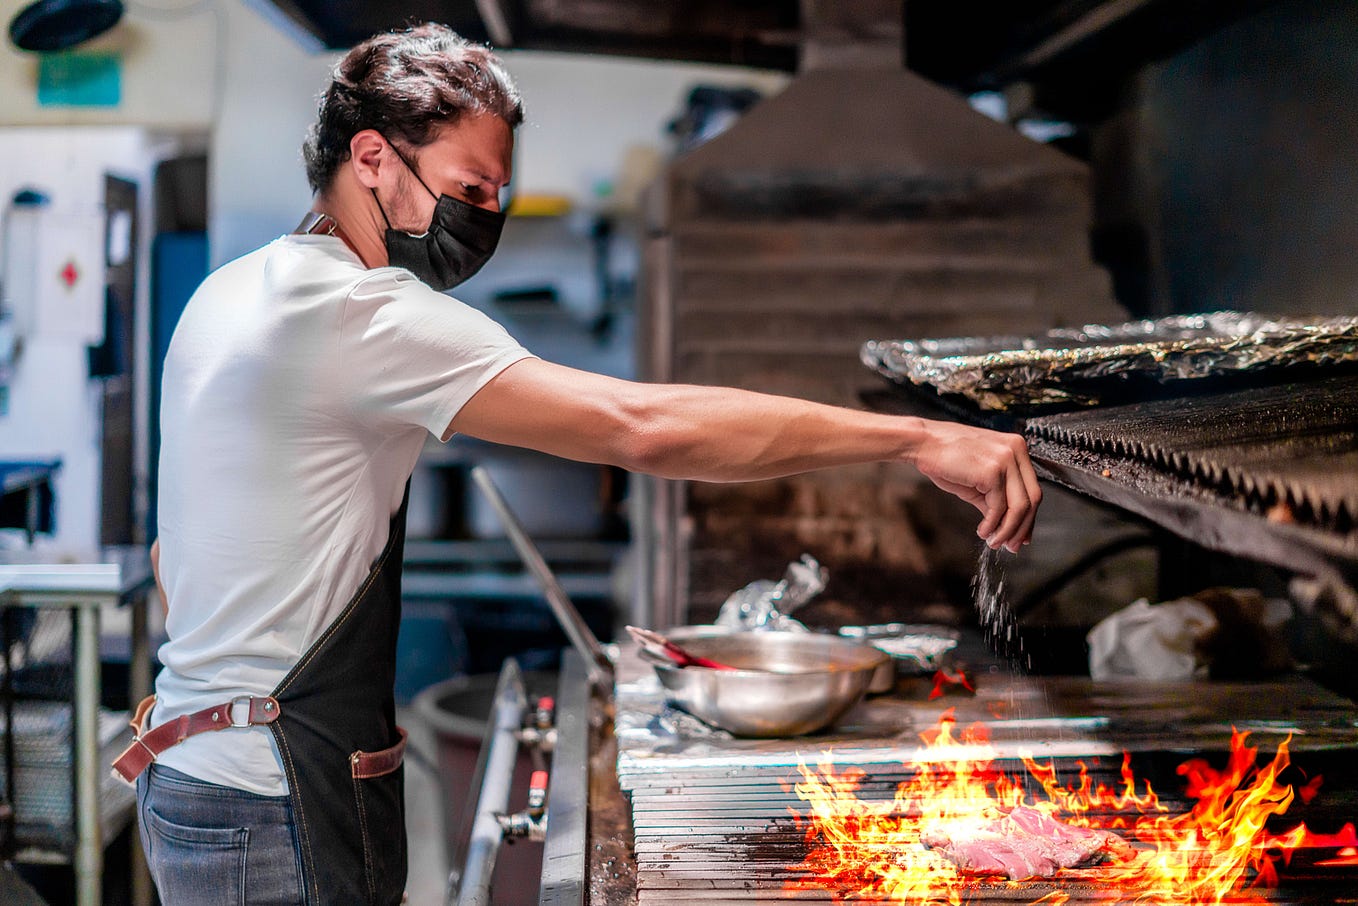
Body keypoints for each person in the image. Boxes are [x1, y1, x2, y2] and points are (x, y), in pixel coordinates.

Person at [116, 22, 1041, 906]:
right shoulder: (365, 313)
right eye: (469, 189)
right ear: (370, 161)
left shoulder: (229, 291)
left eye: (497, 198)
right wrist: (918, 436)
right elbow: (641, 427)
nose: (485, 219)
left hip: (195, 780)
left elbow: (175, 559)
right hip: (276, 800)